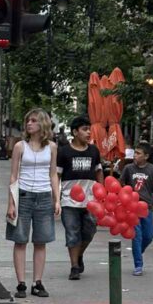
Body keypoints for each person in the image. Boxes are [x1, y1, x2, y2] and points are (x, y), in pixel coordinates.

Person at [6, 108, 61, 298]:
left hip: (44, 195)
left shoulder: (51, 147)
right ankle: (21, 283)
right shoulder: (20, 146)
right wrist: (11, 203)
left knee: (41, 240)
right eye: (28, 120)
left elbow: (53, 174)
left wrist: (57, 199)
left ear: (43, 124)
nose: (29, 124)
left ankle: (37, 282)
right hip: (24, 195)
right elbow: (13, 175)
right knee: (20, 240)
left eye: (34, 120)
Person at [57, 117, 104, 280]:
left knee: (89, 231)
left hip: (91, 201)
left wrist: (101, 193)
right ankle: (74, 267)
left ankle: (79, 255)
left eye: (89, 129)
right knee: (72, 234)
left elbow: (99, 171)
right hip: (69, 201)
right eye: (85, 129)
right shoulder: (64, 152)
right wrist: (56, 198)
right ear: (75, 132)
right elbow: (57, 175)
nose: (88, 132)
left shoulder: (94, 151)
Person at [121, 141, 153, 276]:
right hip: (132, 207)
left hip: (147, 207)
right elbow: (121, 184)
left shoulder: (152, 169)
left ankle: (138, 252)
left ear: (146, 156)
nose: (135, 155)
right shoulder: (128, 168)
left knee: (148, 236)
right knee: (136, 236)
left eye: (138, 153)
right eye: (135, 152)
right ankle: (138, 264)